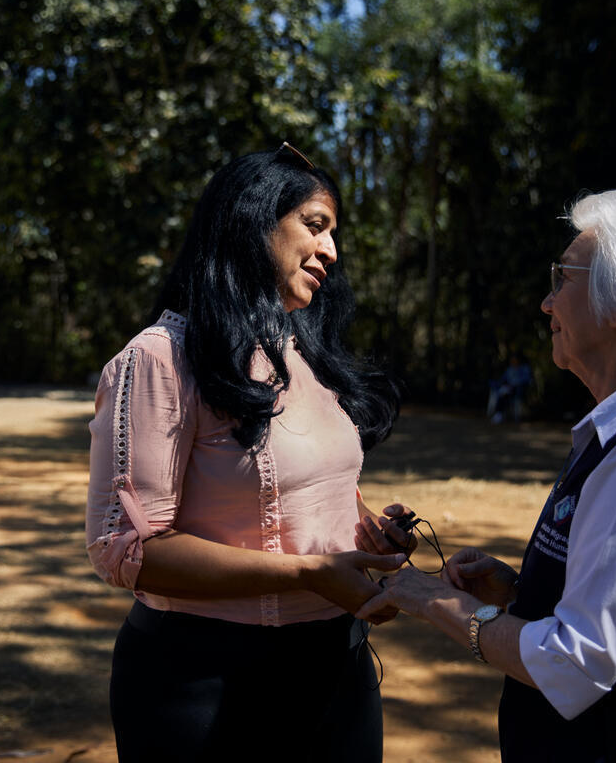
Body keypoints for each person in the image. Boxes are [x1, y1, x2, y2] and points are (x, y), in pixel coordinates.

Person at [356, 190, 616, 761]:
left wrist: (428, 598)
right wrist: (524, 592)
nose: (546, 302)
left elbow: (576, 662)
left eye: (563, 277)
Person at [85, 143, 409, 762]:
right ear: (254, 220)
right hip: (204, 686)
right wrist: (309, 574)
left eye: (333, 233)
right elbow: (124, 548)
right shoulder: (160, 358)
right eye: (315, 226)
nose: (332, 252)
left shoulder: (305, 354)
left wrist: (369, 538)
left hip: (337, 673)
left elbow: (301, 502)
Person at [487, 355, 533, 423]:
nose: (513, 362)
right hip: (507, 389)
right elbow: (502, 380)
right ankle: (499, 414)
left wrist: (514, 384)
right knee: (502, 392)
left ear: (518, 361)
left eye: (515, 360)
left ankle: (499, 414)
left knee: (503, 393)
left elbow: (526, 380)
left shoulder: (524, 369)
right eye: (512, 360)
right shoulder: (509, 370)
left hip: (517, 390)